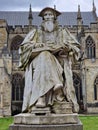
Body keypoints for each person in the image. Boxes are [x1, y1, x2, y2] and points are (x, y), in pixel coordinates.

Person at [19, 7, 80, 113]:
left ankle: (41, 98)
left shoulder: (63, 32)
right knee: (44, 55)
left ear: (55, 17)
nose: (48, 17)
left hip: (58, 62)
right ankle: (56, 86)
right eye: (45, 15)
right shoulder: (36, 33)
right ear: (42, 18)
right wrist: (36, 45)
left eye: (50, 14)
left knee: (46, 56)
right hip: (37, 62)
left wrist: (67, 48)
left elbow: (76, 47)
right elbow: (23, 48)